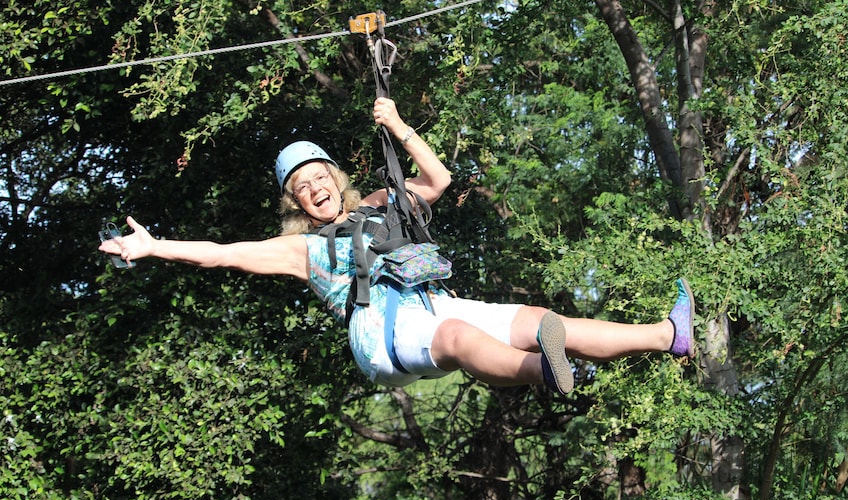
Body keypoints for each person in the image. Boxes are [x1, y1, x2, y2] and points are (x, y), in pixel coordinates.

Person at [99, 97, 695, 395]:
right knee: (462, 341)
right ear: (297, 204)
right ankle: (549, 375)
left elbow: (438, 182)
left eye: (320, 178)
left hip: (433, 302)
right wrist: (155, 248)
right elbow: (221, 252)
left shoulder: (382, 205)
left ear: (337, 180)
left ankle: (667, 336)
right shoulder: (299, 250)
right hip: (379, 333)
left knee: (543, 319)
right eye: (302, 189)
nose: (315, 190)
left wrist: (400, 126)